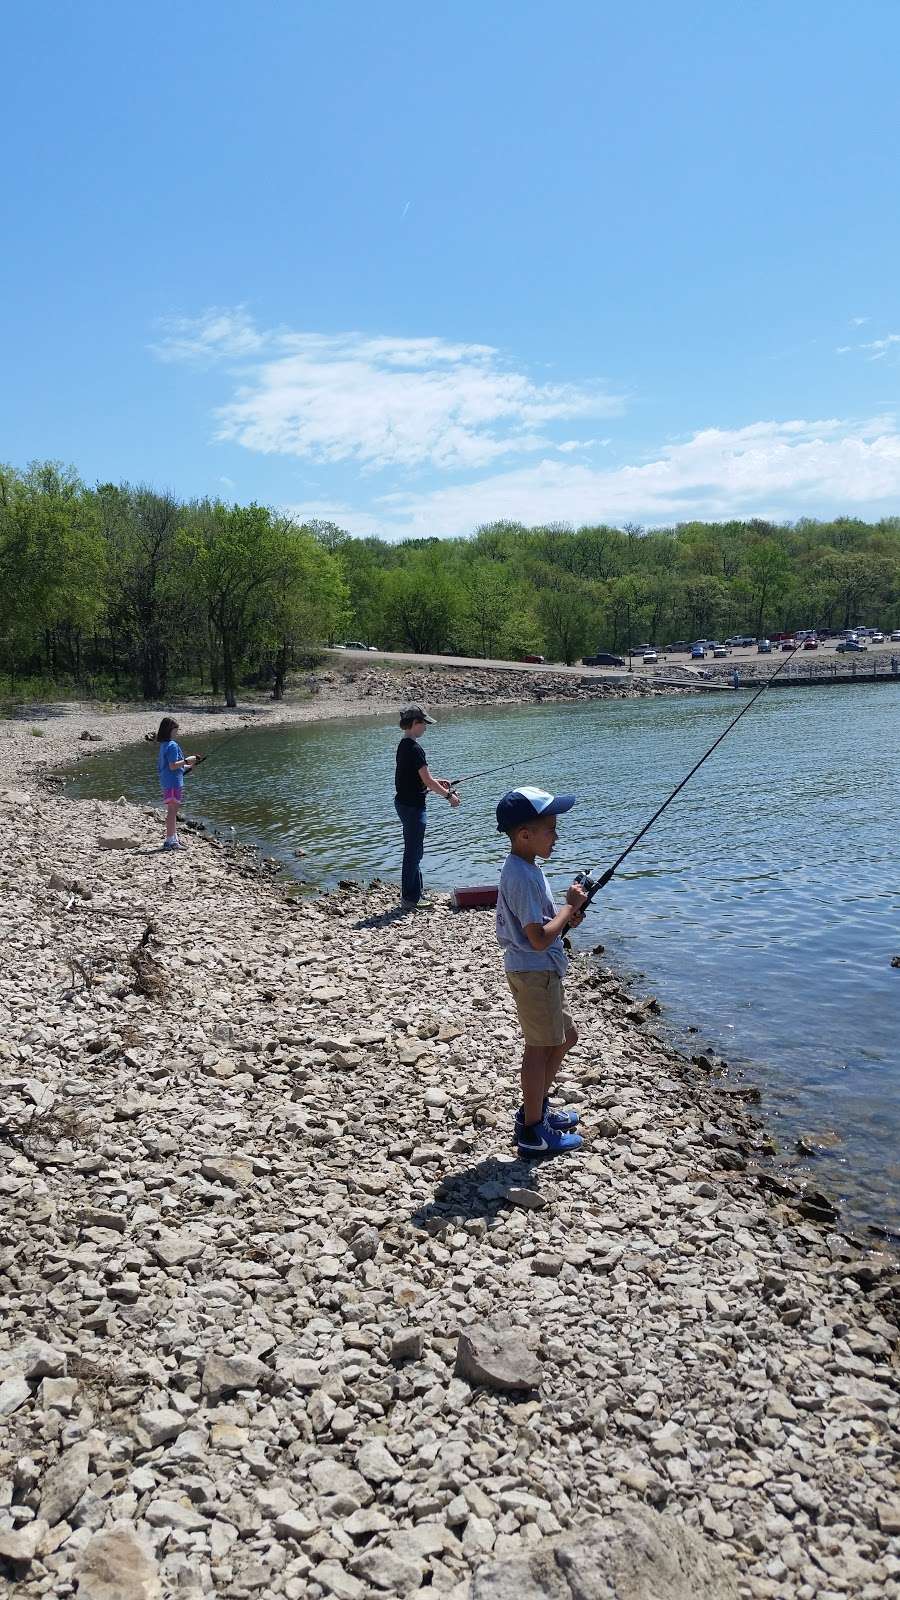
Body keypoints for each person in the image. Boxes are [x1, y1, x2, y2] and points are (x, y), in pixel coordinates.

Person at [495, 786, 589, 1155]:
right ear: (524, 835)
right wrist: (568, 908)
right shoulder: (521, 876)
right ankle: (532, 1131)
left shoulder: (527, 868)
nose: (557, 836)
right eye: (550, 829)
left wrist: (567, 918)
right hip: (535, 972)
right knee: (538, 1048)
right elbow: (536, 939)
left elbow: (544, 927)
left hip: (541, 970)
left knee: (566, 1037)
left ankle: (537, 1108)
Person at [394, 705, 460, 909]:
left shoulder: (403, 745)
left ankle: (415, 893)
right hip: (413, 807)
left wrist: (438, 782)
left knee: (414, 850)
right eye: (424, 724)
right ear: (415, 724)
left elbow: (415, 779)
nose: (426, 728)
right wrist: (449, 796)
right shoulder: (415, 749)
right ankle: (409, 899)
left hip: (404, 804)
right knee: (414, 852)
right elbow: (428, 782)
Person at [155, 717, 199, 851]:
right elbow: (173, 765)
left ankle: (173, 838)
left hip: (167, 782)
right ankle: (170, 841)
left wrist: (187, 767)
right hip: (174, 783)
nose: (177, 732)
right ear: (169, 730)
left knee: (171, 811)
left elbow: (167, 767)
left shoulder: (164, 745)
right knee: (173, 812)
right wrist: (187, 760)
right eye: (176, 730)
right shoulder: (172, 745)